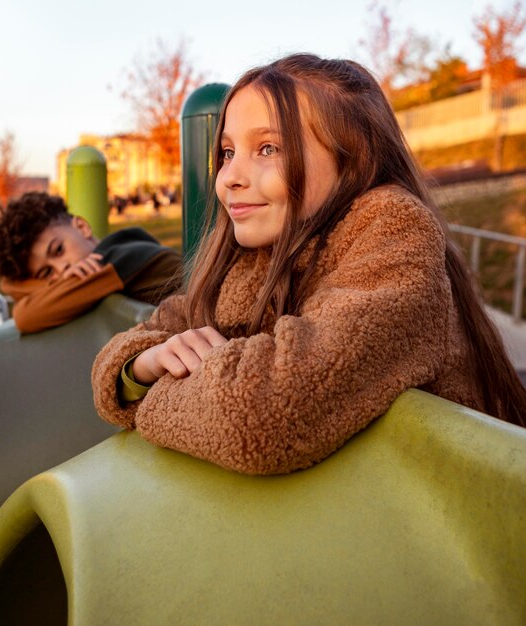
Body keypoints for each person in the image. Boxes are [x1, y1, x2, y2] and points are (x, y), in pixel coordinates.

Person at [91, 54, 526, 476]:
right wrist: (140, 367)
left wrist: (148, 399)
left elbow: (260, 416)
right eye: (226, 152)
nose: (229, 177)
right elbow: (128, 351)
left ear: (353, 160)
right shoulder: (256, 256)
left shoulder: (396, 235)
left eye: (267, 148)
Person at [0, 192, 181, 334]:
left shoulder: (108, 264)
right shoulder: (116, 252)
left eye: (58, 250)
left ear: (82, 227)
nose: (61, 270)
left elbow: (24, 316)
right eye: (46, 273)